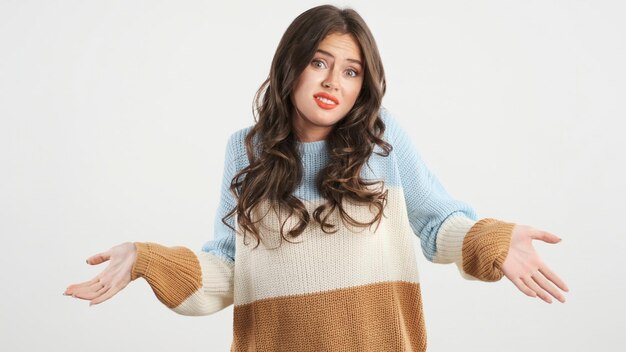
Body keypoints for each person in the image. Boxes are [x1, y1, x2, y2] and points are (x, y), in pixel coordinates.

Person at [65, 4, 569, 351]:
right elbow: (227, 270)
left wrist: (491, 239)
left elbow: (438, 224)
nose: (333, 81)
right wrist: (147, 260)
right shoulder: (247, 151)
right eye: (319, 62)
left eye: (351, 71)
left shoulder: (380, 137)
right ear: (292, 67)